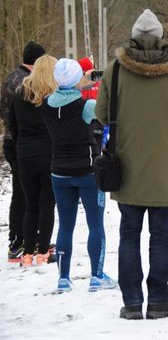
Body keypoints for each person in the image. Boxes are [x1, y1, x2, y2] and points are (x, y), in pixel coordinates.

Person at [95, 9, 168, 320]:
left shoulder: (115, 71)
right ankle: (158, 299)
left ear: (133, 38)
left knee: (128, 233)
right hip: (165, 167)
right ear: (160, 38)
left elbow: (102, 114)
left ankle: (131, 302)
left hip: (126, 165)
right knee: (161, 235)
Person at [41, 58, 117, 293]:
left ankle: (64, 278)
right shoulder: (86, 106)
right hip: (86, 171)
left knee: (65, 225)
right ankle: (97, 276)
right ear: (77, 78)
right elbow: (107, 112)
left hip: (59, 172)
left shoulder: (45, 105)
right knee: (95, 224)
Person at [9, 55, 57, 267]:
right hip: (49, 154)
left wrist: (21, 146)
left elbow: (13, 126)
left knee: (30, 206)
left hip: (25, 154)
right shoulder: (53, 96)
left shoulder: (19, 94)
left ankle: (27, 253)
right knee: (47, 204)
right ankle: (44, 252)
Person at [1, 41, 46, 262]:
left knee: (23, 191)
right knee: (24, 193)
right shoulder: (26, 83)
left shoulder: (10, 78)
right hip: (21, 142)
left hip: (12, 139)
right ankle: (18, 240)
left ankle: (26, 237)